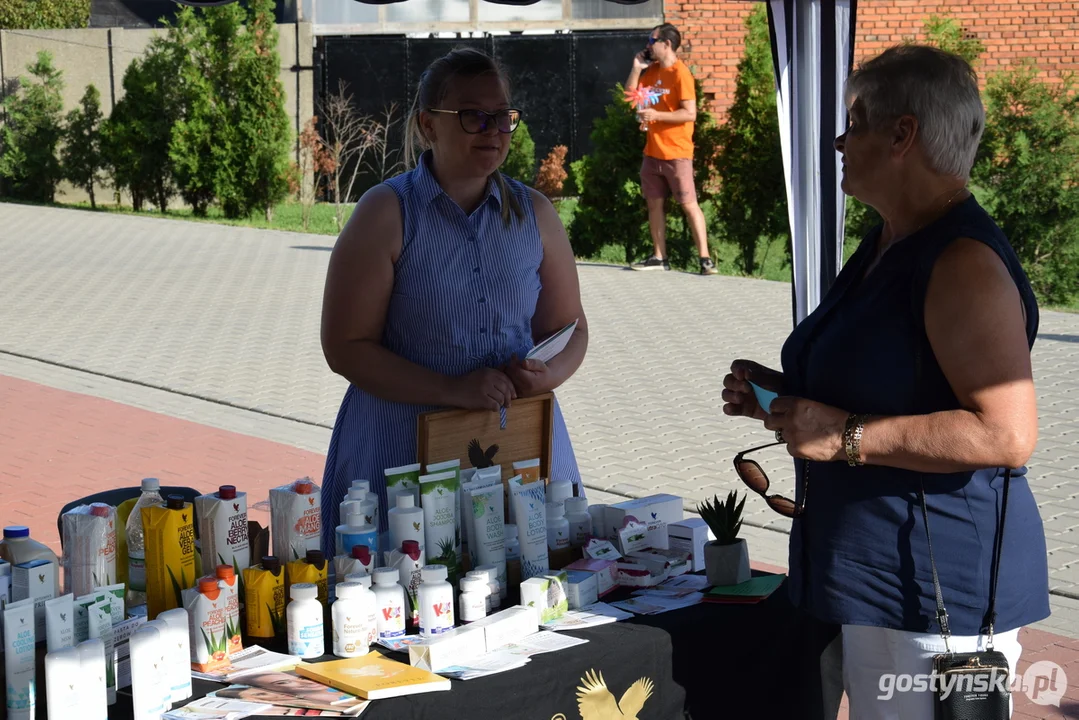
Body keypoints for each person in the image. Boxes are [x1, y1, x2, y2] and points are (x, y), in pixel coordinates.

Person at [721, 45, 1049, 718]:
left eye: (856, 121)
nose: (840, 140)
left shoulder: (961, 260)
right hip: (875, 580)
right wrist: (783, 400)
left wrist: (842, 435)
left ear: (902, 134)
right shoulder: (890, 239)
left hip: (941, 597)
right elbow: (890, 385)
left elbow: (1006, 433)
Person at [318, 48, 588, 554]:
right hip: (400, 459)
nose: (492, 129)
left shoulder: (536, 214)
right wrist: (451, 387)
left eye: (502, 116)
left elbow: (570, 329)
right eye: (472, 116)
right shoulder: (386, 212)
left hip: (518, 447)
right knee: (403, 607)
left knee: (533, 599)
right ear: (427, 125)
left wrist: (546, 376)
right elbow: (346, 347)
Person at [625, 23, 716, 276]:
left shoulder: (680, 74)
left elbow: (690, 113)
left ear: (666, 44)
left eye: (651, 40)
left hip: (677, 152)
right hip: (652, 152)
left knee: (689, 204)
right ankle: (659, 256)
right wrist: (635, 69)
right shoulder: (651, 71)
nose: (647, 45)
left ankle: (706, 260)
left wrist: (657, 114)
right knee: (654, 205)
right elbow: (630, 96)